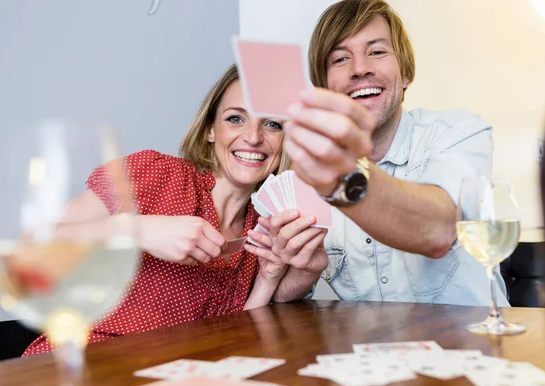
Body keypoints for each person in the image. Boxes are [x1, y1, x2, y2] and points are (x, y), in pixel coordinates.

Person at [22, 64, 327, 356]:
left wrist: (269, 277)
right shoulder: (156, 174)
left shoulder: (262, 228)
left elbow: (239, 337)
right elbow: (32, 246)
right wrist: (139, 229)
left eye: (272, 124)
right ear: (210, 130)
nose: (253, 137)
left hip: (174, 382)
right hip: (83, 366)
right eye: (235, 119)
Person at [264, 0, 509, 306]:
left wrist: (343, 178)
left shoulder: (460, 133)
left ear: (405, 74)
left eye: (377, 52)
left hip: (473, 348)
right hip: (368, 351)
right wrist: (303, 273)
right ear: (323, 85)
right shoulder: (303, 179)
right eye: (340, 59)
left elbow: (436, 230)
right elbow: (283, 301)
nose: (360, 69)